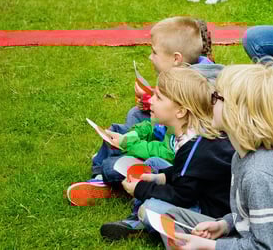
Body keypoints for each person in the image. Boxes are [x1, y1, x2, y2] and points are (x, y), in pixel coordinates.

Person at [165, 63, 273, 250]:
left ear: (237, 112)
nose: (211, 102)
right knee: (172, 217)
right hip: (251, 237)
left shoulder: (259, 175)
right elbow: (247, 215)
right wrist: (223, 225)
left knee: (180, 234)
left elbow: (267, 246)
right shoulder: (242, 156)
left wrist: (211, 246)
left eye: (217, 97)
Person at [100, 68, 234, 242]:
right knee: (154, 163)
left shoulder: (195, 148)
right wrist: (161, 178)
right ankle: (139, 217)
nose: (151, 101)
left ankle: (139, 221)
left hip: (210, 214)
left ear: (180, 112)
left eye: (159, 97)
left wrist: (141, 189)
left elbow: (182, 196)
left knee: (151, 208)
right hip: (198, 191)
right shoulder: (192, 136)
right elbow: (186, 173)